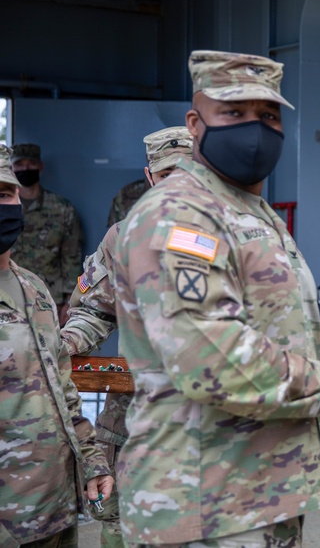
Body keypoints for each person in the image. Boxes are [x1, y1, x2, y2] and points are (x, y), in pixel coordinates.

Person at [111, 50, 320, 546]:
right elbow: (210, 359)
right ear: (195, 124)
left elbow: (274, 339)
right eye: (234, 113)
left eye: (267, 116)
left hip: (258, 496)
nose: (254, 129)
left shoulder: (250, 211)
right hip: (200, 505)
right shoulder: (180, 215)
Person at [60, 126, 193, 548]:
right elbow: (94, 310)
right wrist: (61, 345)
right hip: (134, 420)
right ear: (150, 177)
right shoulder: (123, 239)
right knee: (123, 533)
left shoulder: (236, 236)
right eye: (167, 173)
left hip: (212, 421)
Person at [0, 144, 114, 546]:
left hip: (53, 509)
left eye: (5, 193)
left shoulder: (35, 290)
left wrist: (92, 462)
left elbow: (61, 392)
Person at [10, 142, 83, 324]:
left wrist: (70, 301)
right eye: (19, 164)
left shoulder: (62, 208)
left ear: (40, 166)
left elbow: (71, 257)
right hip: (8, 296)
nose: (25, 169)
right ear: (11, 168)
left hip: (48, 299)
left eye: (31, 164)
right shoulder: (5, 207)